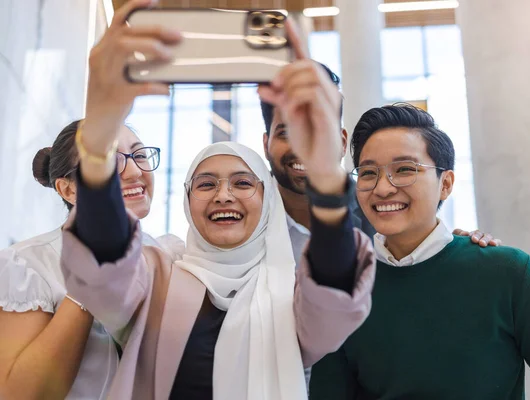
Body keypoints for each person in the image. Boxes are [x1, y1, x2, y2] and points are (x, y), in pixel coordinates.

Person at [58, 2, 375, 399]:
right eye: (205, 184)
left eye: (243, 183)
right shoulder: (157, 272)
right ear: (188, 201)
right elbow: (103, 272)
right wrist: (98, 139)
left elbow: (334, 306)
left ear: (266, 204)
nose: (224, 195)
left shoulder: (293, 285)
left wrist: (327, 178)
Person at [308, 103, 530, 399]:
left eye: (405, 169)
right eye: (369, 173)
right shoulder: (345, 289)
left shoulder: (508, 273)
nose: (383, 188)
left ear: (445, 184)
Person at [258, 62, 500, 265]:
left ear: (342, 142)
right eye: (287, 133)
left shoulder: (380, 209)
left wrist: (460, 249)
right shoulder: (240, 213)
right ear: (266, 143)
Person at [0, 120, 162, 399]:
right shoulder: (28, 264)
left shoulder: (164, 257)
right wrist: (88, 282)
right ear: (69, 191)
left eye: (139, 155)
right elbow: (20, 394)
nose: (135, 171)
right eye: (109, 161)